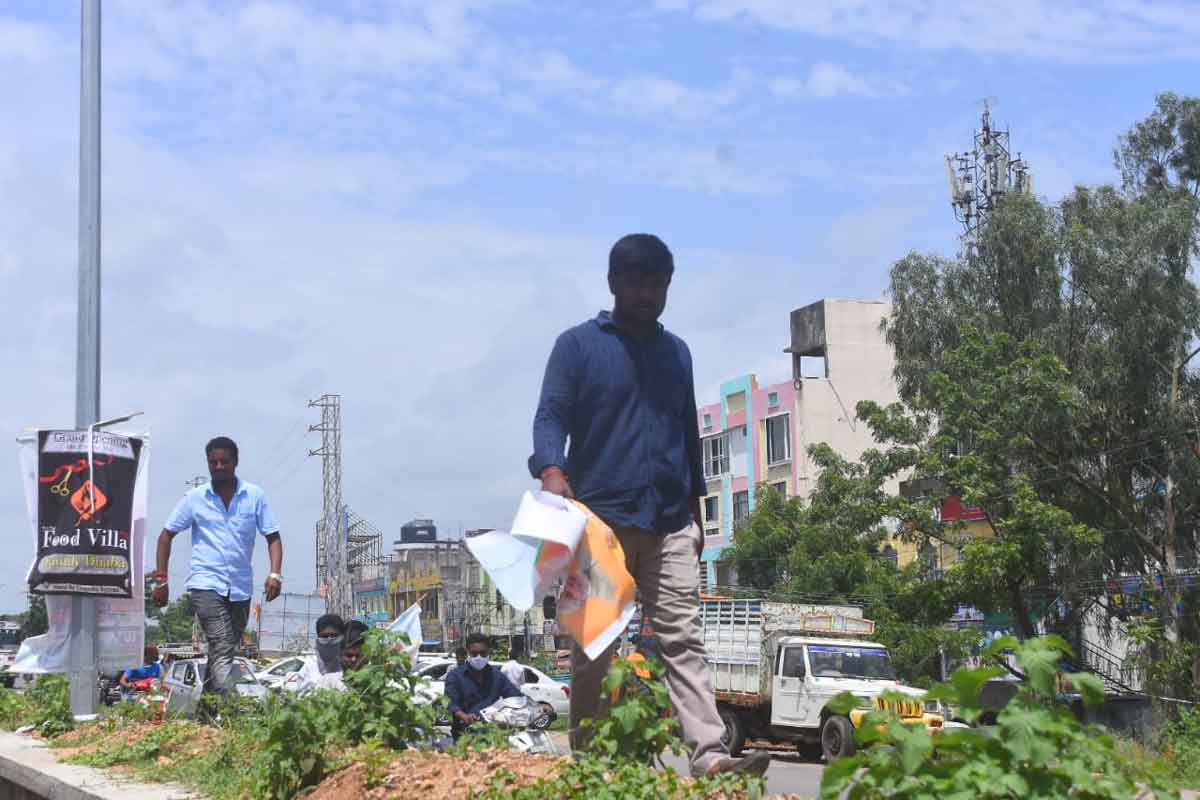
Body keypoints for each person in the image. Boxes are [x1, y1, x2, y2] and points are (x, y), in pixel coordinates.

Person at [528, 233, 770, 778]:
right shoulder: (578, 347)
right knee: (597, 643)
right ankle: (592, 763)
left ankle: (709, 755)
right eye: (637, 282)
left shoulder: (676, 352)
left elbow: (688, 435)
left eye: (658, 283)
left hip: (670, 520)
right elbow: (550, 417)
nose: (648, 294)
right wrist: (552, 471)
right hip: (600, 523)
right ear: (614, 284)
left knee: (683, 637)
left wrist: (699, 517)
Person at [152, 436, 284, 696]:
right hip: (205, 584)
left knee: (223, 649)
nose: (219, 467)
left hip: (240, 587)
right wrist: (161, 579)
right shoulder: (195, 498)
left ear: (235, 462)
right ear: (208, 464)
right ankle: (232, 709)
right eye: (214, 462)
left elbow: (273, 536)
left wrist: (275, 574)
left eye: (225, 461)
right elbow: (165, 536)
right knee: (222, 643)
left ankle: (208, 712)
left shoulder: (254, 496)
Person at [444, 633, 522, 740]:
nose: (479, 657)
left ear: (488, 652)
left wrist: (541, 706)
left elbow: (515, 696)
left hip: (493, 735)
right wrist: (465, 716)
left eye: (483, 653)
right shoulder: (455, 676)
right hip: (464, 736)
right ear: (468, 653)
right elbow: (451, 703)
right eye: (474, 654)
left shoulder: (497, 676)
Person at [291, 614, 345, 694]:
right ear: (318, 637)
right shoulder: (309, 667)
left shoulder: (350, 663)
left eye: (334, 635)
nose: (329, 639)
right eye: (325, 636)